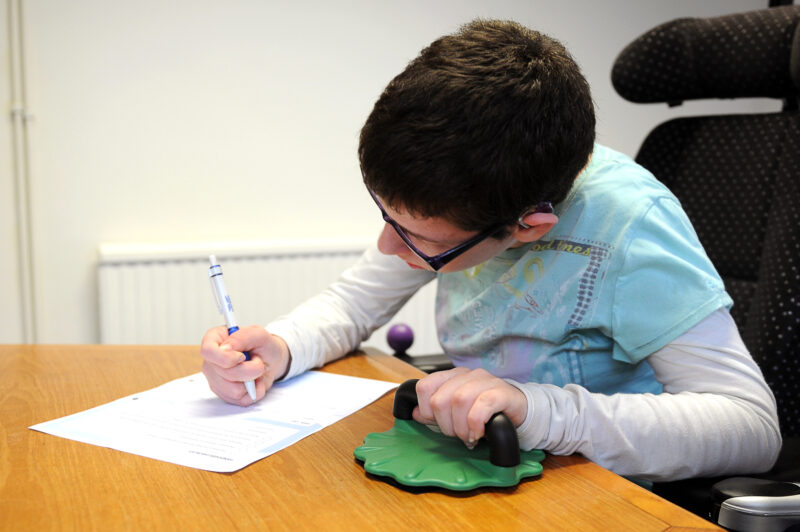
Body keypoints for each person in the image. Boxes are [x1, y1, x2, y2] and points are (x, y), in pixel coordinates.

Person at [200, 19, 781, 482]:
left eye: (419, 239)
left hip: (592, 484)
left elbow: (751, 428)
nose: (385, 246)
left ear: (530, 226)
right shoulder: (469, 185)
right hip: (480, 461)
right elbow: (353, 306)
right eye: (385, 216)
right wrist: (278, 348)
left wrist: (538, 408)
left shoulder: (631, 227)